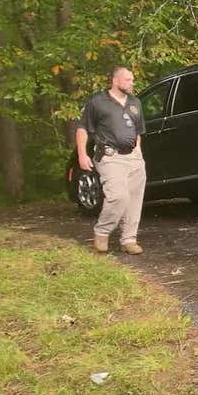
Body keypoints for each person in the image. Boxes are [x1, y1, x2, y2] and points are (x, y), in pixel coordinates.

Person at [76, 66, 148, 255]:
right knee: (118, 196)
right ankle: (102, 232)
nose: (132, 83)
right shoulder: (98, 102)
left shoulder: (135, 103)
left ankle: (129, 240)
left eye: (132, 80)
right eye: (128, 80)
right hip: (110, 156)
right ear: (115, 81)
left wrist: (138, 153)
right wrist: (82, 155)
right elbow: (82, 129)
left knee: (134, 200)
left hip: (133, 157)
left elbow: (138, 131)